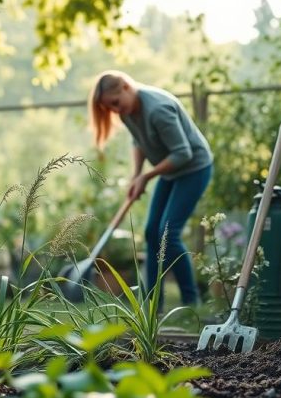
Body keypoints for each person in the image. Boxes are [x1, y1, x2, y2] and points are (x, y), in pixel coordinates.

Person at [88, 70, 213, 309]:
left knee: (169, 233)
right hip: (170, 171)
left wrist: (147, 175)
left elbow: (183, 153)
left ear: (125, 86)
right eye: (110, 108)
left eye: (115, 103)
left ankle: (191, 301)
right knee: (151, 232)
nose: (114, 110)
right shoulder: (126, 111)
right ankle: (154, 302)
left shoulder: (158, 110)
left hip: (194, 168)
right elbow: (139, 141)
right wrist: (136, 174)